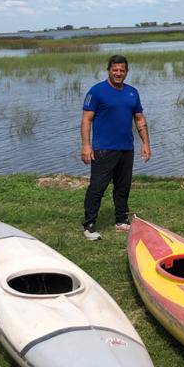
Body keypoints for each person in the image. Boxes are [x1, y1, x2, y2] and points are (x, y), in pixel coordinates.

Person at [80, 55, 150, 240]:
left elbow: (139, 119)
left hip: (126, 148)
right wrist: (86, 146)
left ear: (127, 72)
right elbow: (86, 120)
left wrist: (146, 143)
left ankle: (121, 220)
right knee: (97, 187)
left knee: (123, 186)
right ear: (109, 70)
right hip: (103, 148)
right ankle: (89, 225)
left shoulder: (132, 92)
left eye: (122, 70)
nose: (118, 73)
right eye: (115, 70)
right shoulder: (96, 92)